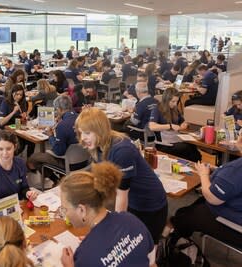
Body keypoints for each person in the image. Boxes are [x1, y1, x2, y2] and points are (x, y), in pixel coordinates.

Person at [75, 107, 168, 245]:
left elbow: (121, 196)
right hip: (132, 202)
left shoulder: (121, 150)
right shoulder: (98, 146)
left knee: (144, 253)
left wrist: (114, 233)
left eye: (87, 133)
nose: (83, 138)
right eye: (81, 133)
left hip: (150, 205)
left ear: (100, 130)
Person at [60, 162, 156, 267]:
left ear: (81, 210)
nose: (65, 214)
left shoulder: (84, 257)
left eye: (64, 209)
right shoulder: (131, 219)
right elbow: (152, 264)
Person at [170, 155, 242, 249]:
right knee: (198, 203)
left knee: (182, 215)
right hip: (235, 208)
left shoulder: (237, 168)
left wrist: (204, 174)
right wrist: (220, 172)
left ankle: (175, 242)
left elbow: (212, 198)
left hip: (235, 225)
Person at [0, 130, 38, 216]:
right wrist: (8, 205)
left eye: (8, 149)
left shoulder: (20, 163)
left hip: (16, 210)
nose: (4, 153)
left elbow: (24, 187)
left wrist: (28, 193)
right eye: (1, 149)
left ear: (15, 147)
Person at [27, 95, 79, 180]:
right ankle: (60, 179)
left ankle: (57, 180)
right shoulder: (80, 117)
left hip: (68, 162)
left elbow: (58, 152)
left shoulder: (62, 125)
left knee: (34, 158)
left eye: (56, 109)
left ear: (59, 109)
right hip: (84, 160)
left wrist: (51, 136)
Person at [149, 87, 202, 162]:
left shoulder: (175, 109)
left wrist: (184, 124)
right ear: (166, 100)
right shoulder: (157, 109)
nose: (175, 104)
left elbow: (183, 121)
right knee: (188, 149)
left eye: (176, 101)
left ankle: (195, 167)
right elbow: (152, 126)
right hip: (164, 144)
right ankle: (194, 167)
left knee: (193, 147)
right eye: (173, 101)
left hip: (175, 139)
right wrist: (170, 126)